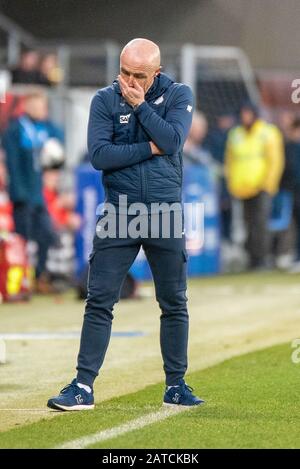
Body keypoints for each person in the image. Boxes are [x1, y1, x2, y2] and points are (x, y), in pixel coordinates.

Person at [47, 38, 204, 411]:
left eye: (139, 76)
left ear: (157, 74)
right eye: (124, 73)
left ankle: (176, 385)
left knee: (173, 302)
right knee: (99, 299)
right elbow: (100, 156)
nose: (129, 82)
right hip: (119, 211)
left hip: (166, 212)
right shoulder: (104, 99)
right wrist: (150, 148)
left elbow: (174, 139)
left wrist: (141, 108)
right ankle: (83, 385)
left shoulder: (179, 94)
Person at [2, 91, 63, 292]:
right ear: (26, 106)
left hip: (38, 195)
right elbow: (11, 162)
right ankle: (20, 281)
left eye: (43, 106)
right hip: (21, 193)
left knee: (47, 234)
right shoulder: (15, 130)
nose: (40, 110)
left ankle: (39, 275)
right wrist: (18, 191)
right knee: (22, 239)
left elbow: (59, 137)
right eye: (36, 105)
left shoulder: (44, 128)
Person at [225, 101, 284, 270]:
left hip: (261, 187)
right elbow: (230, 161)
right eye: (243, 113)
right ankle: (252, 259)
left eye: (248, 113)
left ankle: (263, 259)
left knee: (260, 224)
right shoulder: (235, 134)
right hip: (242, 187)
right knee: (247, 225)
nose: (245, 116)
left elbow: (275, 161)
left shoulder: (268, 132)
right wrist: (231, 183)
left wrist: (268, 184)